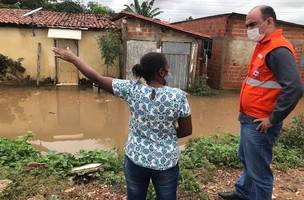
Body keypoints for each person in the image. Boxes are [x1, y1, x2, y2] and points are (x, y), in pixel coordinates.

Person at [51, 48, 192, 200]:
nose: (169, 70)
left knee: (135, 196)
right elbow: (186, 131)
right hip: (166, 161)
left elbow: (97, 79)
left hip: (136, 158)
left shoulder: (131, 89)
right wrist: (166, 135)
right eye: (168, 67)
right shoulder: (178, 96)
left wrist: (74, 59)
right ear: (162, 72)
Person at [218, 5, 303, 200]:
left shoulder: (278, 50)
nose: (249, 29)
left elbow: (295, 88)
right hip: (249, 118)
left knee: (260, 172)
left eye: (253, 24)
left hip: (261, 124)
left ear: (269, 22)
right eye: (247, 26)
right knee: (247, 159)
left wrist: (272, 119)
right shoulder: (264, 45)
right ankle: (243, 192)